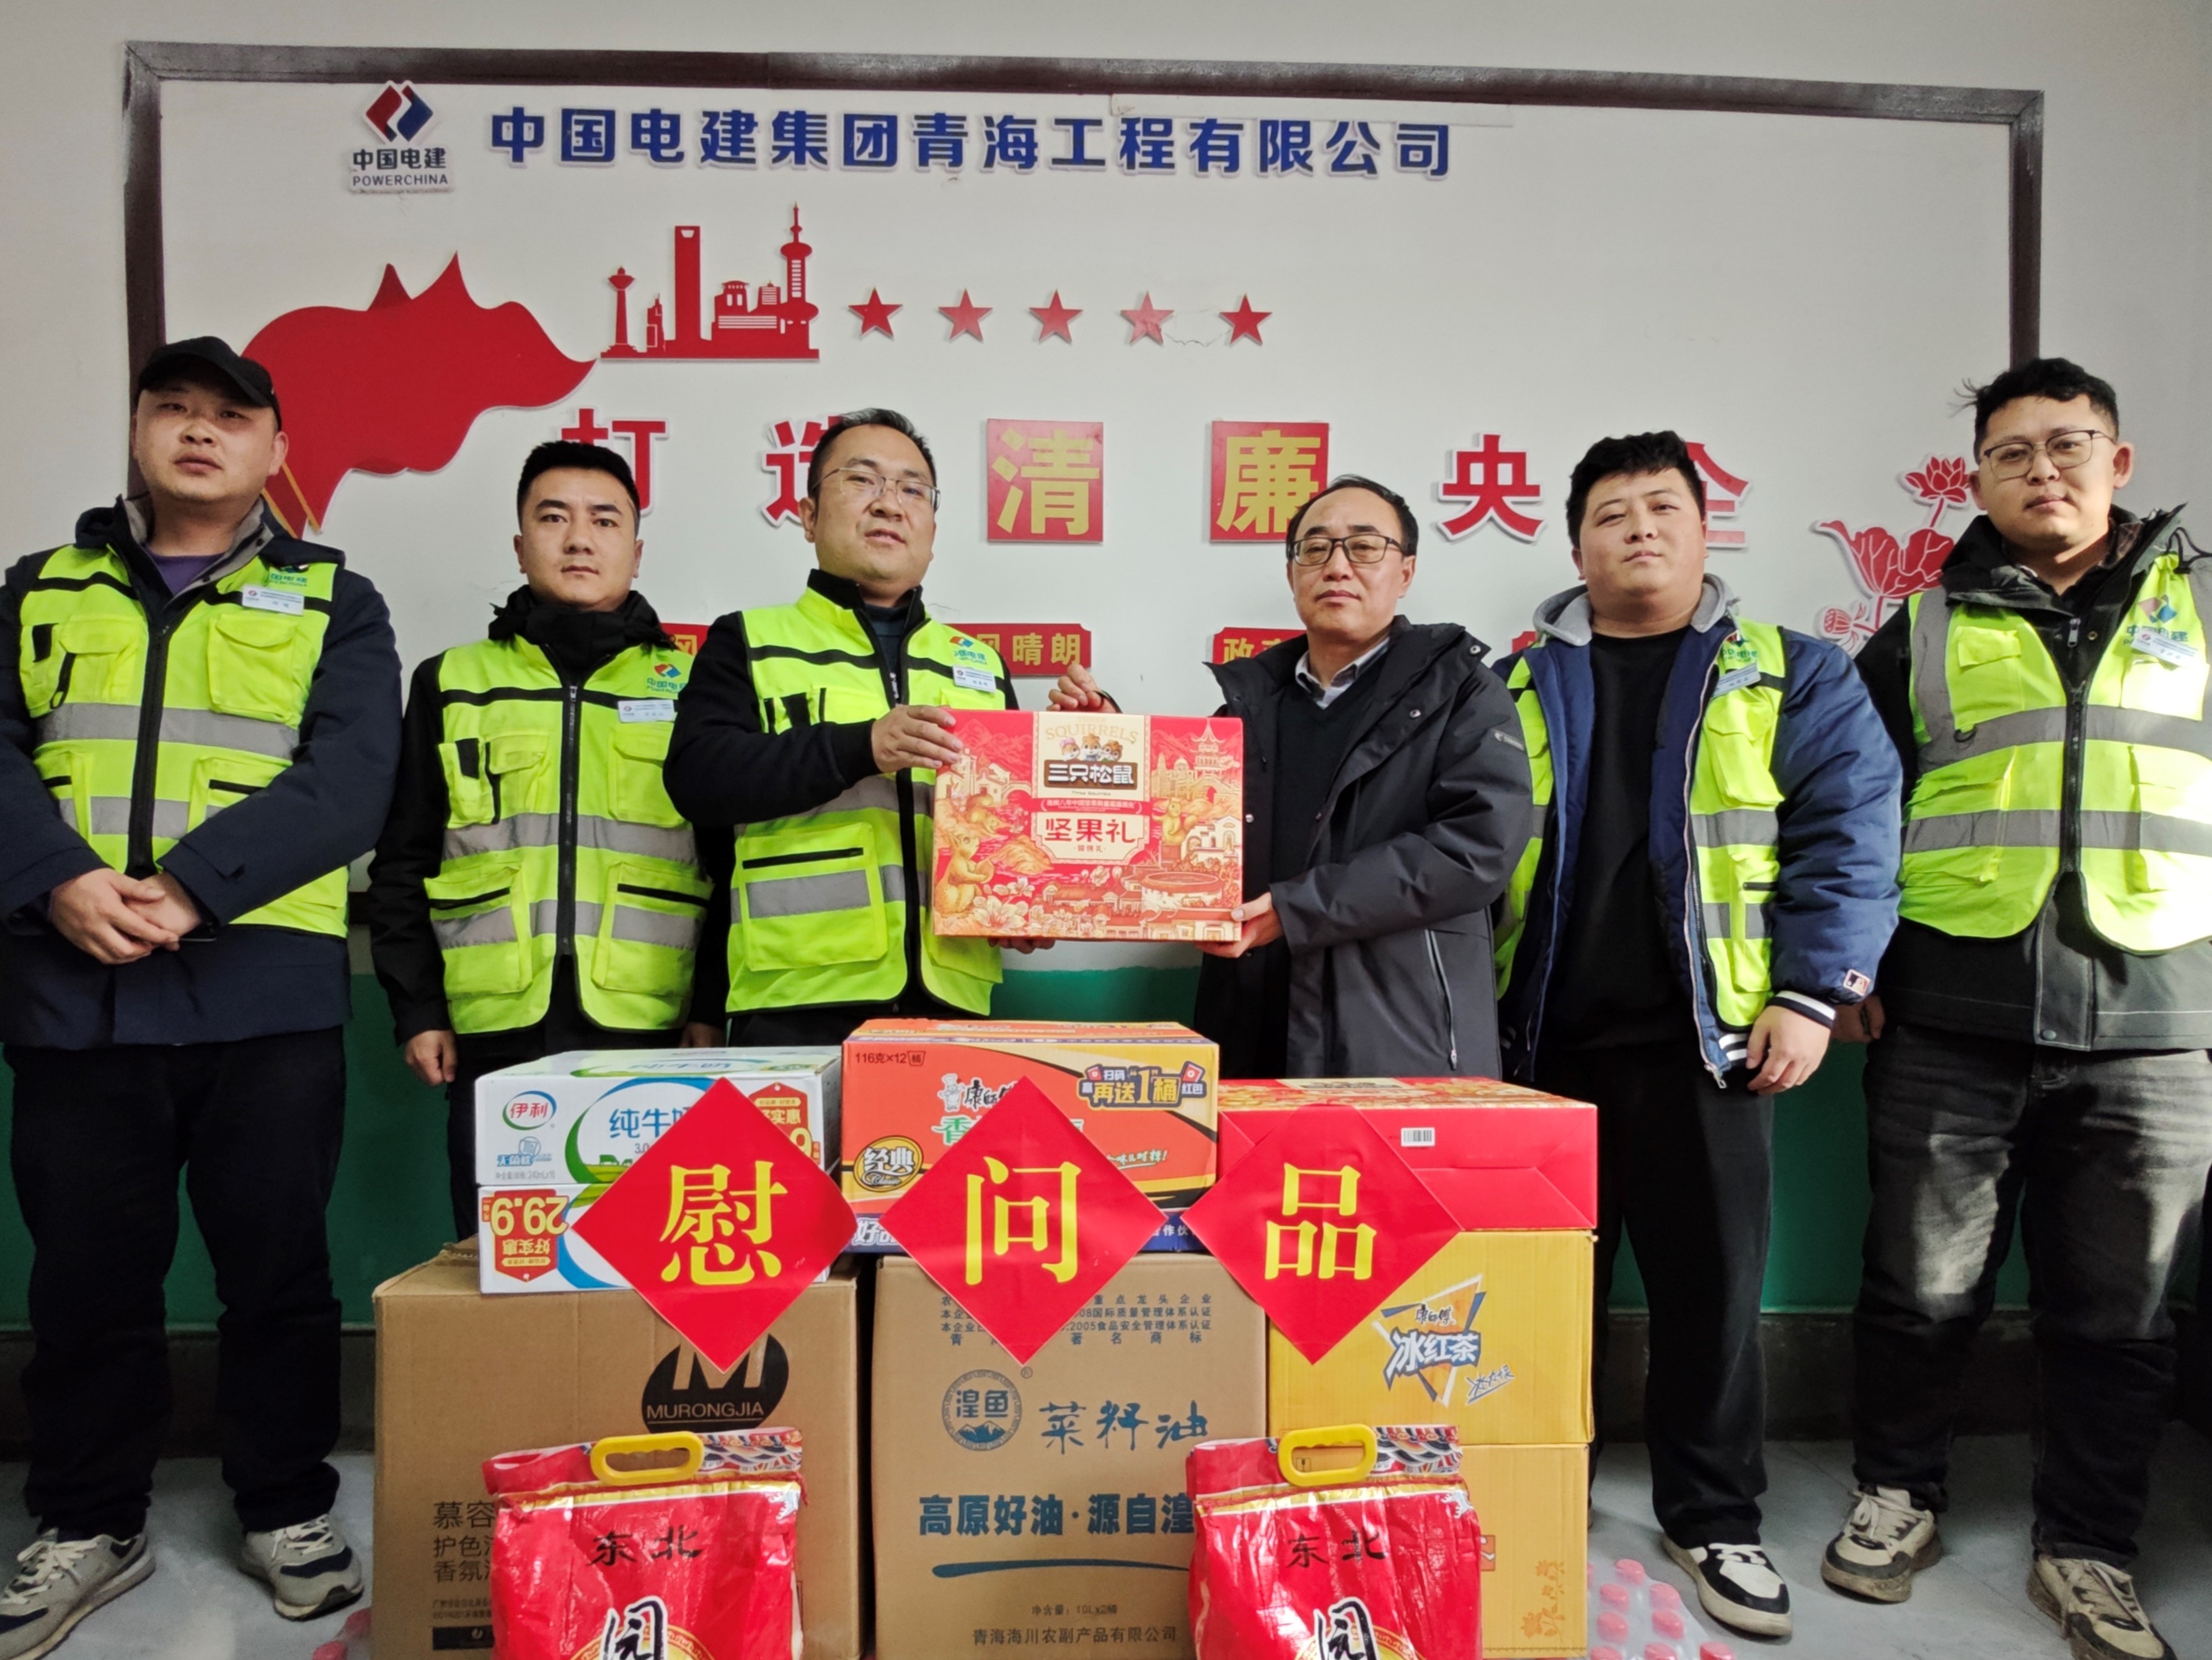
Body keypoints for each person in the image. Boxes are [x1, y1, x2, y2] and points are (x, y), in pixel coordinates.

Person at [0, 338, 400, 1651]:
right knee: (85, 1274)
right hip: (77, 991)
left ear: (276, 450)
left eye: (230, 416)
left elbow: (351, 779)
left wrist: (193, 887)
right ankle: (87, 1519)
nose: (198, 431)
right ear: (136, 430)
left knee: (277, 1271)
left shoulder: (336, 600)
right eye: (172, 408)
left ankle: (286, 1503)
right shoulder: (39, 588)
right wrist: (57, 879)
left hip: (261, 995)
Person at [1827, 358, 2212, 1660]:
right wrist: (1848, 965)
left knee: (2120, 1310)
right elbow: (1851, 810)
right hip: (1949, 1007)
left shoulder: (2197, 609)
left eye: (2067, 445)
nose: (2040, 470)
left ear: (2118, 460)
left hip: (2155, 1019)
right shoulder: (1922, 626)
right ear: (1976, 477)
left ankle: (2087, 1548)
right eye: (2011, 452)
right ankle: (1897, 1493)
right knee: (1917, 1286)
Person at [1493, 430, 1900, 1640]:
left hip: (1709, 1046)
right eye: (1610, 513)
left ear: (1704, 528)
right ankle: (1532, 1495)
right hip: (1536, 1049)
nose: (1637, 529)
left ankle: (1712, 1516)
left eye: (1661, 507)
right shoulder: (1508, 685)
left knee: (1710, 1297)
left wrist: (1811, 992)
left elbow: (1848, 829)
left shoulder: (1789, 673)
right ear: (1574, 544)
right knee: (1533, 1296)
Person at [365, 440, 722, 1240]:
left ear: (637, 550)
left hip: (648, 1024)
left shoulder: (692, 688)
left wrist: (708, 1007)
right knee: (502, 1257)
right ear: (520, 544)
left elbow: (724, 863)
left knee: (644, 1247)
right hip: (494, 1028)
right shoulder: (452, 682)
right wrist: (417, 1008)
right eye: (553, 518)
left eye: (605, 520)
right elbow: (404, 861)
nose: (579, 539)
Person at [664, 408, 1029, 1045]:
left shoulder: (980, 665)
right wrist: (860, 747)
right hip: (795, 1002)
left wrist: (1030, 899)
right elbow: (698, 778)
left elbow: (1011, 827)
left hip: (950, 1005)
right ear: (808, 517)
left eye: (912, 489)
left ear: (933, 528)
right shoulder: (749, 641)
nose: (889, 504)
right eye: (862, 481)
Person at [1185, 473, 1532, 1076]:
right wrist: (1117, 752)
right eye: (1315, 548)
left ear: (1405, 572)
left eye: (1365, 546)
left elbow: (1478, 848)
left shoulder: (1462, 693)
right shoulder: (1245, 709)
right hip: (1250, 1027)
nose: (1337, 566)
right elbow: (1182, 830)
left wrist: (1298, 909)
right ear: (1292, 573)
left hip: (1398, 1039)